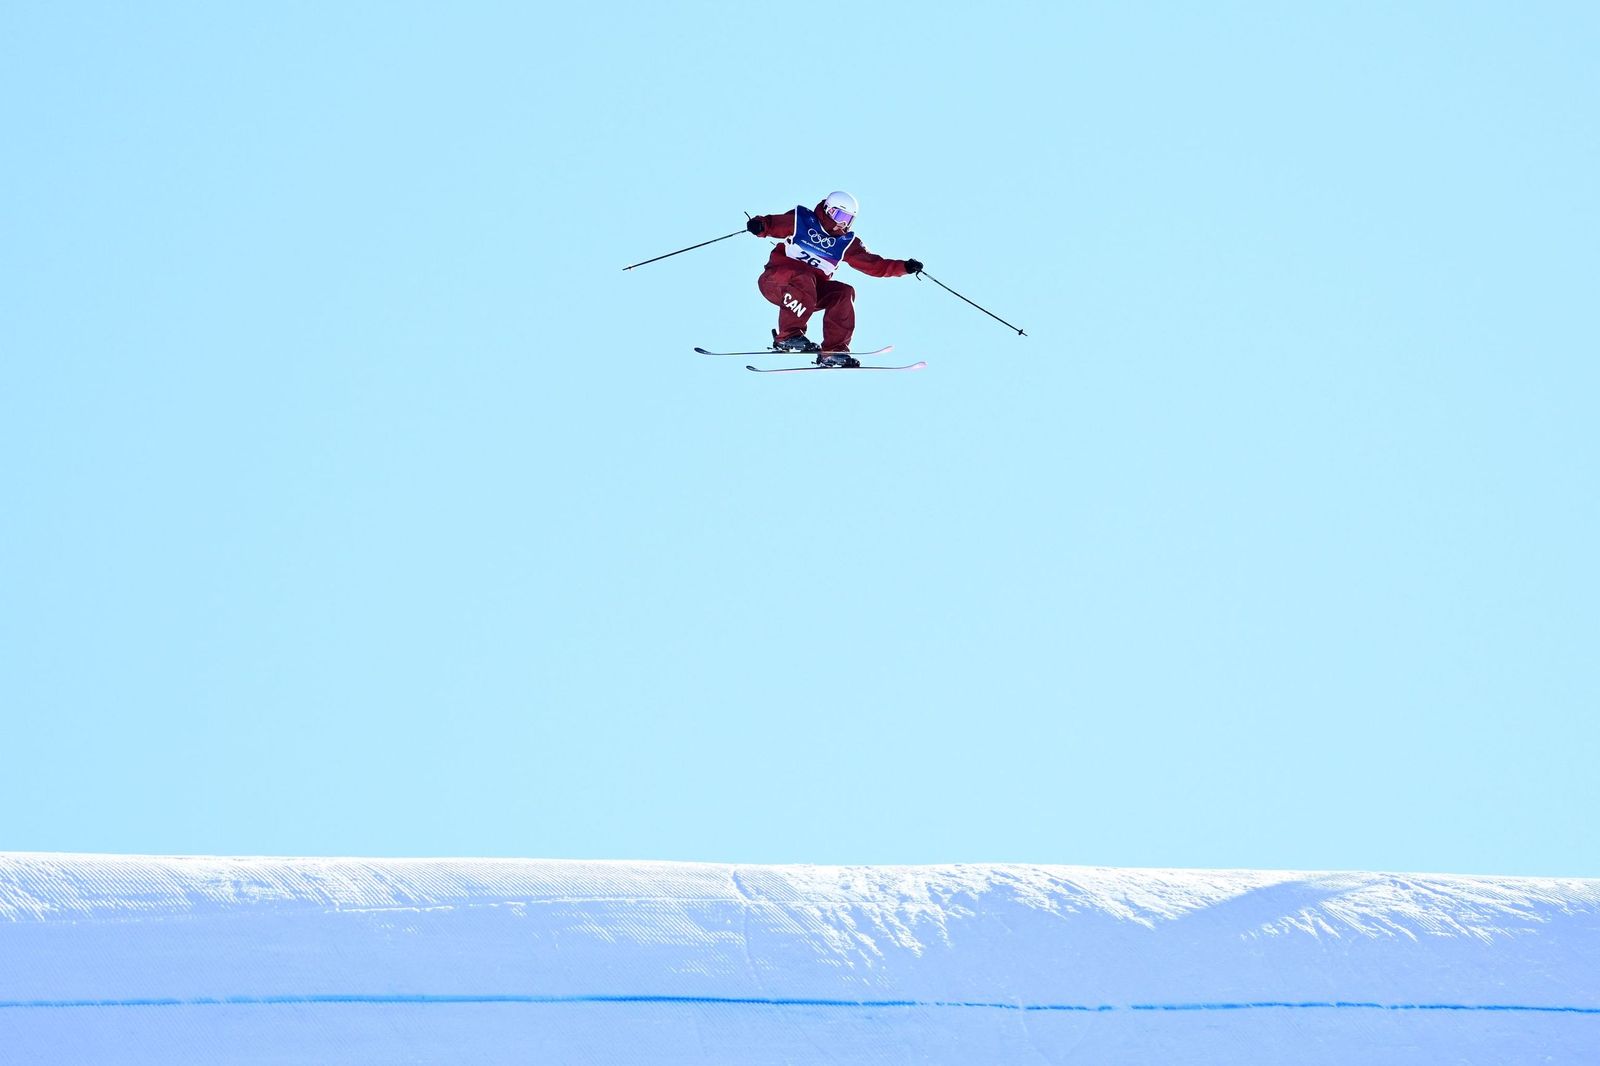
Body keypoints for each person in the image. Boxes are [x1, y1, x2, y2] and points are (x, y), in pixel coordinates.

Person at [746, 192, 922, 367]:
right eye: (840, 216)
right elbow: (774, 224)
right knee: (803, 277)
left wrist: (904, 267)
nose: (842, 223)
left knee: (843, 293)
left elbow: (875, 265)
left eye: (848, 220)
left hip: (808, 293)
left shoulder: (845, 243)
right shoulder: (803, 221)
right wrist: (760, 225)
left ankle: (833, 351)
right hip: (776, 281)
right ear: (828, 210)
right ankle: (787, 336)